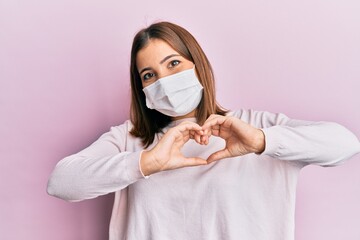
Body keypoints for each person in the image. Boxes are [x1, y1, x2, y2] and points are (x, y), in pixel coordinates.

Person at [47, 21, 360, 240]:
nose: (163, 81)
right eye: (148, 75)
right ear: (141, 89)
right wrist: (147, 162)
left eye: (173, 64)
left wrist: (262, 141)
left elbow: (345, 143)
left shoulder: (255, 125)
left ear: (198, 64)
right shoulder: (129, 139)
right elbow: (62, 183)